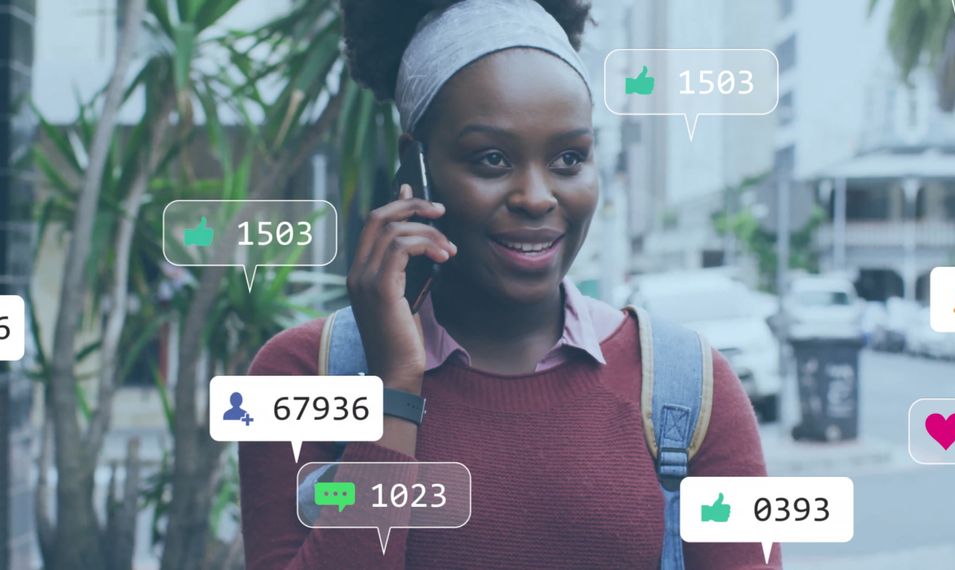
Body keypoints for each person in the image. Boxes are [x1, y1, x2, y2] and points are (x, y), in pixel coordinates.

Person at [239, 0, 780, 568]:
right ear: (413, 169)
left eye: (570, 158)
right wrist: (395, 390)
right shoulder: (302, 374)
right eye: (492, 159)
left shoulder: (690, 389)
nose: (537, 196)